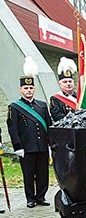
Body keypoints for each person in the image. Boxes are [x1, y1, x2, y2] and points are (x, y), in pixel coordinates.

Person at [6, 58, 52, 208]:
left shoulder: (42, 105)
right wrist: (17, 146)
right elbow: (13, 129)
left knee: (43, 173)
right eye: (26, 88)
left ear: (34, 89)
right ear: (21, 90)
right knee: (28, 174)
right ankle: (30, 198)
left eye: (31, 88)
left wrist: (51, 143)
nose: (29, 90)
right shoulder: (15, 107)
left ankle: (41, 197)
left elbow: (49, 125)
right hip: (26, 146)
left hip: (42, 146)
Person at [49, 57, 77, 122]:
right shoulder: (55, 99)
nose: (68, 84)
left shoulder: (79, 97)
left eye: (70, 81)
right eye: (65, 82)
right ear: (60, 84)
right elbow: (57, 116)